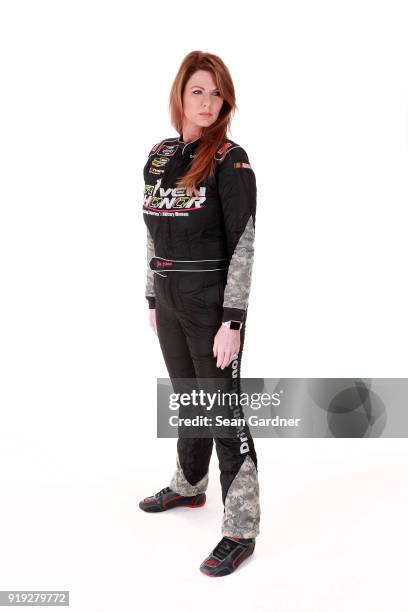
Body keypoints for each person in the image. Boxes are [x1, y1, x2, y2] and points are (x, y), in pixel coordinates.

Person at [139, 50, 260, 577]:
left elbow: (244, 244)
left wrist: (233, 319)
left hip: (212, 305)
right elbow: (152, 229)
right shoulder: (160, 154)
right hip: (168, 299)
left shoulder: (231, 160)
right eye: (198, 91)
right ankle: (190, 484)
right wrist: (151, 295)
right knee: (188, 397)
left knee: (223, 413)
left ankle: (241, 528)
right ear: (180, 95)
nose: (208, 102)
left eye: (216, 93)